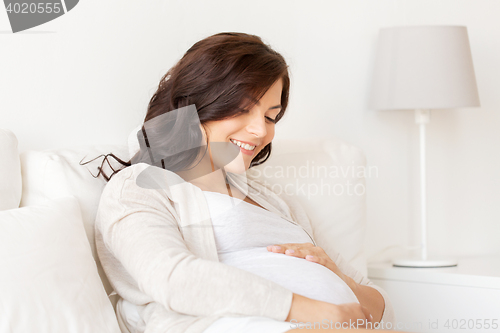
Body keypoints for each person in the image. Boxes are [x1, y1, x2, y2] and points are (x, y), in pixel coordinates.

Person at [89, 32, 405, 333]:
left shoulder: (279, 201)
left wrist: (342, 284)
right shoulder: (139, 187)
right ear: (195, 107)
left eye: (270, 117)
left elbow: (382, 307)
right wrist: (319, 312)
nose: (260, 131)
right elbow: (172, 279)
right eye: (242, 109)